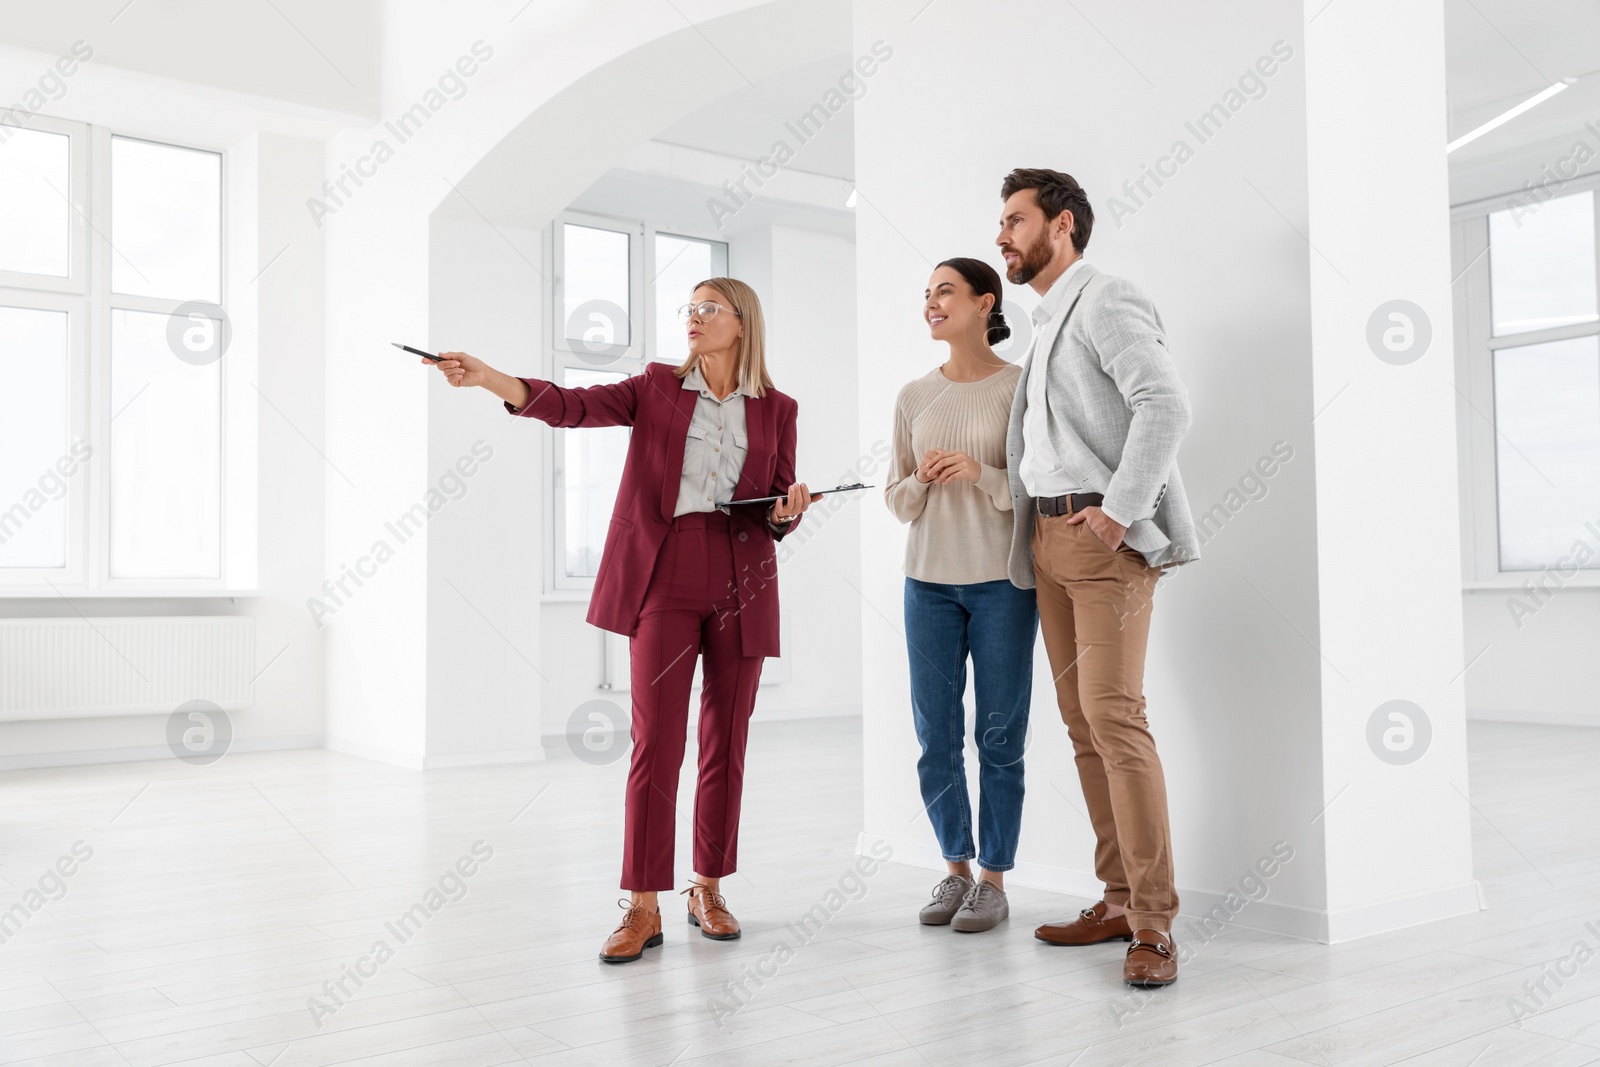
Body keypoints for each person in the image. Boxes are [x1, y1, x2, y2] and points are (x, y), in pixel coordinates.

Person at [427, 278, 814, 964]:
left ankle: (708, 886)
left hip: (742, 573)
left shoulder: (778, 408)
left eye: (708, 308)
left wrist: (788, 509)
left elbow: (774, 500)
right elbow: (574, 407)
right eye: (687, 309)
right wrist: (491, 378)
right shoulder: (657, 385)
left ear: (742, 322)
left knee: (727, 738)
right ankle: (641, 904)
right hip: (666, 569)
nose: (692, 318)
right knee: (655, 740)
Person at [995, 168, 1199, 987]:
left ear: (1064, 224)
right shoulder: (1046, 323)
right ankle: (1117, 897)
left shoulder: (1107, 298)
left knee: (1116, 720)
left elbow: (1167, 405)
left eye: (1014, 221)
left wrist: (1118, 511)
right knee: (1083, 726)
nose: (1002, 237)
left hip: (1104, 541)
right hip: (1049, 540)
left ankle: (1155, 924)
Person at [886, 258, 1037, 934]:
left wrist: (980, 471)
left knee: (999, 735)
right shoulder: (914, 396)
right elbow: (897, 499)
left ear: (985, 302)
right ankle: (954, 868)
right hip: (928, 584)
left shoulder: (1018, 387)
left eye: (943, 291)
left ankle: (994, 880)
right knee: (935, 736)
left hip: (1003, 582)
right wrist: (919, 480)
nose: (930, 303)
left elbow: (1034, 491)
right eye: (926, 295)